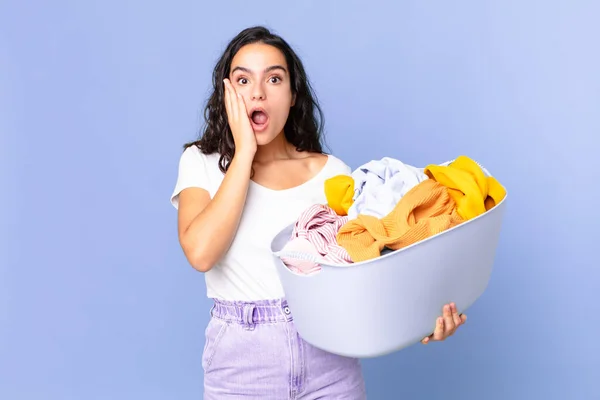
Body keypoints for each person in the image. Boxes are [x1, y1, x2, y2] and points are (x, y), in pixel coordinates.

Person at [170, 25, 467, 399]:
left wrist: (424, 319)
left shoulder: (333, 174)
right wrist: (243, 153)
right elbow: (200, 252)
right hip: (242, 367)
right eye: (243, 80)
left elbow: (369, 272)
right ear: (227, 93)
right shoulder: (201, 161)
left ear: (293, 95)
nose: (258, 92)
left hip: (330, 364)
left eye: (274, 79)